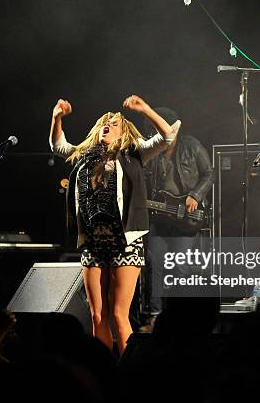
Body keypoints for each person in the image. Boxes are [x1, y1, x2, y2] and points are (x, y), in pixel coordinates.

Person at [49, 95, 180, 355]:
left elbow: (167, 136)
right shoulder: (85, 157)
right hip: (94, 243)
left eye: (115, 124)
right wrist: (57, 117)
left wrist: (145, 109)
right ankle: (103, 369)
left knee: (119, 314)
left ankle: (128, 370)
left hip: (125, 242)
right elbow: (58, 145)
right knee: (98, 315)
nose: (108, 127)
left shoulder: (134, 153)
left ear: (124, 133)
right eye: (104, 124)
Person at [140, 107, 213, 331]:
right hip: (159, 218)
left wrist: (196, 195)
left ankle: (181, 318)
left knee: (180, 268)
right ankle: (155, 316)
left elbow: (208, 173)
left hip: (186, 217)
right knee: (155, 266)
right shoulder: (150, 153)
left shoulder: (191, 145)